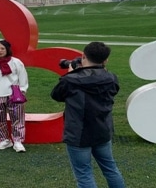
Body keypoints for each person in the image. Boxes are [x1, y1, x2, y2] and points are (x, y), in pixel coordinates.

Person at [51, 41, 125, 188]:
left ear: (83, 56)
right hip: (102, 130)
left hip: (78, 133)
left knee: (84, 174)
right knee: (110, 169)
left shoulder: (71, 80)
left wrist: (73, 72)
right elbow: (113, 90)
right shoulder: (111, 77)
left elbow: (56, 95)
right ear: (106, 60)